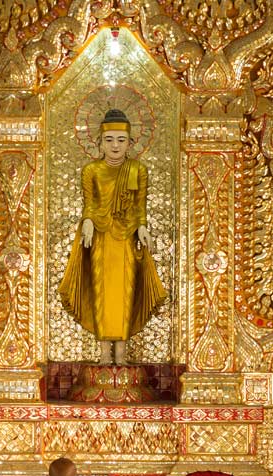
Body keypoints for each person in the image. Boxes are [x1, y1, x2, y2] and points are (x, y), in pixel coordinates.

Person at [59, 108, 167, 365]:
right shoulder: (91, 171)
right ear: (100, 143)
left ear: (130, 143)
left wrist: (142, 226)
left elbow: (140, 205)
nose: (115, 145)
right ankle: (104, 356)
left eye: (121, 140)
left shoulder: (137, 170)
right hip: (99, 234)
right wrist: (86, 222)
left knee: (125, 291)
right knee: (101, 291)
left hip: (127, 235)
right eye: (109, 140)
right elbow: (90, 203)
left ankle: (122, 355)